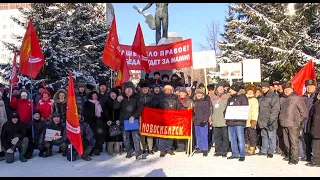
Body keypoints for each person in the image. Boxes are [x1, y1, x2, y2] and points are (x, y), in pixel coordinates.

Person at [114, 82, 145, 160]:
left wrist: (134, 116)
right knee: (125, 138)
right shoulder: (121, 97)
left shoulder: (136, 97)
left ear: (132, 90)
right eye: (127, 89)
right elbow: (116, 107)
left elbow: (140, 108)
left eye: (130, 89)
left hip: (133, 120)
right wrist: (117, 100)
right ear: (124, 90)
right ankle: (128, 152)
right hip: (124, 121)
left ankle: (138, 153)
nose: (128, 90)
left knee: (136, 137)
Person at [152, 85, 185, 157]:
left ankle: (169, 149)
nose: (168, 91)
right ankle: (162, 150)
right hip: (162, 118)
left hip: (172, 118)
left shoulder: (175, 97)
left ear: (172, 90)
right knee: (162, 135)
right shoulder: (160, 97)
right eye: (166, 89)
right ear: (164, 90)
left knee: (170, 134)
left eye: (170, 90)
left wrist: (186, 110)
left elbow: (179, 106)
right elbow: (154, 105)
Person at [279, 83, 308, 165]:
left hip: (294, 124)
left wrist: (298, 121)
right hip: (284, 123)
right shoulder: (282, 99)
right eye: (285, 89)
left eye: (288, 89)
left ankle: (295, 158)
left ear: (292, 89)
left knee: (293, 142)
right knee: (286, 142)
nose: (286, 91)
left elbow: (304, 113)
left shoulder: (297, 99)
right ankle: (289, 155)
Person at [257, 82, 280, 158]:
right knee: (264, 135)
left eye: (264, 88)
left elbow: (275, 110)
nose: (263, 89)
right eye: (262, 88)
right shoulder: (261, 97)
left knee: (271, 136)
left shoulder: (274, 96)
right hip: (262, 120)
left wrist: (271, 120)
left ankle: (271, 151)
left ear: (268, 88)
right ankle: (264, 150)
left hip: (270, 121)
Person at [226, 84, 248, 162]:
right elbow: (227, 108)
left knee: (240, 138)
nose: (229, 91)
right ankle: (235, 153)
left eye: (231, 89)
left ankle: (242, 154)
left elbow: (245, 108)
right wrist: (226, 113)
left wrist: (237, 114)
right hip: (230, 121)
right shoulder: (230, 99)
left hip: (239, 121)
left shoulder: (243, 97)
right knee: (232, 139)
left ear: (235, 89)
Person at [209, 82, 229, 157]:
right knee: (217, 137)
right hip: (215, 120)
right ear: (216, 89)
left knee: (225, 137)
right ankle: (218, 150)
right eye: (219, 88)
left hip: (224, 120)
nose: (220, 89)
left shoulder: (227, 96)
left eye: (221, 88)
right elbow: (210, 109)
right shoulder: (212, 98)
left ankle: (224, 151)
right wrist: (210, 118)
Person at [83, 91, 104, 155]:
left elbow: (102, 113)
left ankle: (98, 148)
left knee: (99, 135)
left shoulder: (99, 103)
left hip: (99, 121)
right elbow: (85, 113)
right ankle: (90, 149)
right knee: (91, 135)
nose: (95, 97)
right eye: (93, 95)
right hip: (90, 121)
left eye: (96, 95)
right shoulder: (87, 103)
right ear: (91, 96)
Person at [301, 79, 317, 162]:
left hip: (314, 123)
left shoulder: (317, 98)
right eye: (307, 86)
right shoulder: (302, 98)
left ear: (315, 87)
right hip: (304, 123)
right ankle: (307, 156)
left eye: (311, 86)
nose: (309, 88)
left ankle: (316, 157)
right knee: (305, 141)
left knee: (315, 142)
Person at [193, 89, 211, 156]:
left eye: (200, 94)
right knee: (198, 136)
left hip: (203, 122)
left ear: (202, 95)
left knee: (203, 135)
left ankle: (205, 149)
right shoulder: (194, 102)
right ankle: (200, 147)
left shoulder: (205, 102)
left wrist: (205, 120)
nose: (198, 95)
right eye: (197, 94)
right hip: (196, 121)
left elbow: (207, 112)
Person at [138, 80, 154, 154]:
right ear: (141, 89)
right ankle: (142, 148)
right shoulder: (138, 96)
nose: (145, 90)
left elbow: (154, 106)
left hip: (149, 117)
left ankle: (150, 148)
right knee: (142, 133)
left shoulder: (151, 96)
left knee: (149, 133)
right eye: (143, 88)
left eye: (146, 88)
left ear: (148, 89)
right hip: (140, 117)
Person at [105, 88, 122, 156]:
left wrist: (119, 120)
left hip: (117, 122)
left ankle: (117, 150)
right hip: (109, 122)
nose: (113, 95)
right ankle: (110, 150)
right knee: (110, 138)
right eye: (112, 93)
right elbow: (105, 112)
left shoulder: (119, 102)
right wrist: (108, 120)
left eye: (114, 93)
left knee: (117, 137)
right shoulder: (107, 101)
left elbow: (121, 111)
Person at [244, 84, 259, 156]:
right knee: (246, 135)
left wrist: (254, 120)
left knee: (252, 135)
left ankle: (252, 149)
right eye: (248, 91)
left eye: (251, 91)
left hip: (250, 120)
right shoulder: (245, 99)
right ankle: (247, 147)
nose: (249, 93)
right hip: (244, 120)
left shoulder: (254, 100)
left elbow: (255, 111)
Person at [176, 87, 193, 152]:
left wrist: (190, 109)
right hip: (179, 119)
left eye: (183, 93)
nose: (181, 94)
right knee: (179, 132)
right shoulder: (177, 100)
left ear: (186, 94)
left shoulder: (189, 101)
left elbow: (193, 107)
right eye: (180, 93)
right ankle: (180, 147)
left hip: (186, 119)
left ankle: (187, 147)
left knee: (186, 132)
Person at [306, 93, 320, 167]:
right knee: (316, 146)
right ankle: (316, 161)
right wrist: (309, 127)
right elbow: (311, 117)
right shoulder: (316, 104)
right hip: (316, 129)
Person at [0, 91, 9, 161]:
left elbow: (4, 113)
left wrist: (5, 120)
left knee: (3, 136)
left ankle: (3, 150)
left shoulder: (2, 103)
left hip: (3, 122)